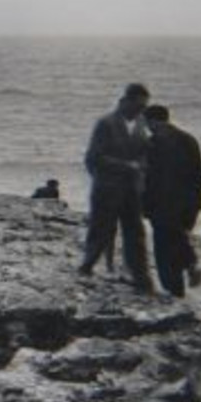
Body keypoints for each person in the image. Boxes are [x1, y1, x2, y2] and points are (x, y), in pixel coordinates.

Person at [77, 83, 154, 292]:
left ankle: (140, 276)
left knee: (135, 232)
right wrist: (123, 167)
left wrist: (142, 168)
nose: (140, 110)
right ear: (125, 101)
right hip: (107, 187)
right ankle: (87, 266)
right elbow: (94, 157)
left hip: (132, 189)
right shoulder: (106, 123)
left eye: (143, 107)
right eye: (137, 105)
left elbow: (144, 153)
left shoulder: (142, 124)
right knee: (100, 228)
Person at [141, 105, 201, 296]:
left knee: (164, 248)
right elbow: (199, 175)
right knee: (177, 239)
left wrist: (144, 205)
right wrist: (197, 201)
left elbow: (149, 178)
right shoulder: (188, 139)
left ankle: (175, 289)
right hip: (187, 204)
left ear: (152, 121)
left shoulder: (153, 143)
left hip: (163, 204)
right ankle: (189, 268)